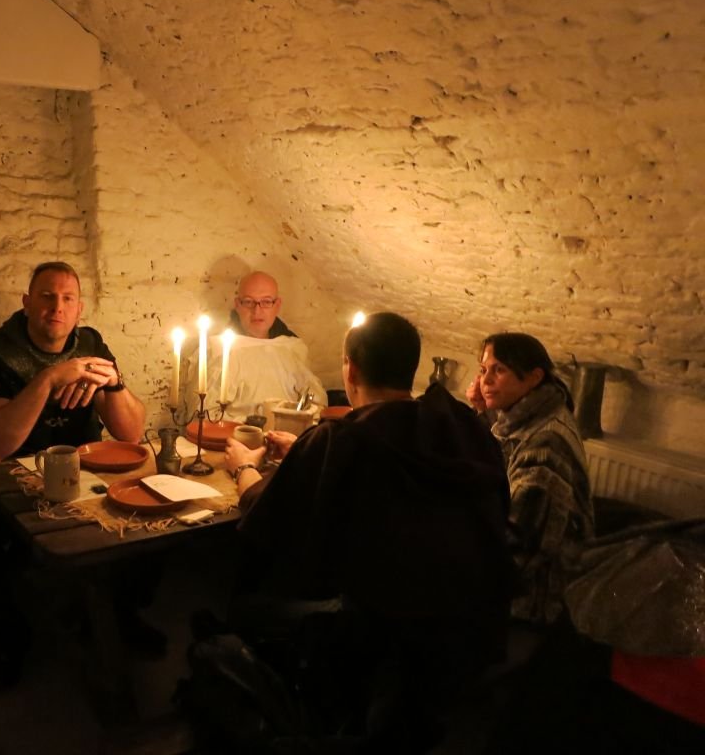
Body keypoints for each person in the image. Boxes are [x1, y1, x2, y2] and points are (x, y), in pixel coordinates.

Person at [222, 313, 514, 747]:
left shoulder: (340, 440)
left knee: (242, 604)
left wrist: (244, 466)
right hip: (470, 624)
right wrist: (305, 449)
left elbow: (262, 510)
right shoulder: (461, 425)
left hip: (379, 632)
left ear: (351, 369)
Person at [0, 261, 153, 690]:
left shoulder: (90, 346)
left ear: (79, 310)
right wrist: (49, 378)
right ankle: (9, 630)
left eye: (68, 299)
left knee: (152, 518)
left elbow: (131, 433)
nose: (57, 307)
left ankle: (120, 615)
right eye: (47, 297)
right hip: (6, 481)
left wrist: (113, 384)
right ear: (27, 303)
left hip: (86, 472)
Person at [466, 332, 593, 627]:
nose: (485, 380)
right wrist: (483, 412)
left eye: (499, 370)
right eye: (483, 369)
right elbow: (503, 452)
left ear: (534, 377)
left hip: (538, 596)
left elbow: (519, 543)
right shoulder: (534, 412)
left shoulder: (546, 445)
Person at [206, 271, 326, 421]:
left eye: (266, 302)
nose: (257, 311)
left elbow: (316, 403)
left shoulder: (292, 348)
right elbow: (206, 415)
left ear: (277, 305)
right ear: (237, 305)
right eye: (248, 302)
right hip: (238, 433)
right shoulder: (219, 351)